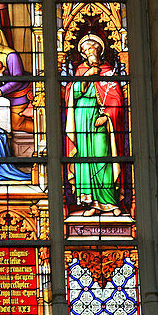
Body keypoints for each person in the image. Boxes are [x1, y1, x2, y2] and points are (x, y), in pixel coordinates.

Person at [64, 34, 124, 216]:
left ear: (99, 49)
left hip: (100, 119)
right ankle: (91, 203)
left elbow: (116, 98)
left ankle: (110, 202)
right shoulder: (81, 70)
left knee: (101, 154)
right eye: (85, 50)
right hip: (82, 116)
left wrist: (107, 117)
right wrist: (86, 77)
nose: (88, 52)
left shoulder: (108, 71)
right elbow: (71, 93)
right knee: (84, 159)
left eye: (91, 48)